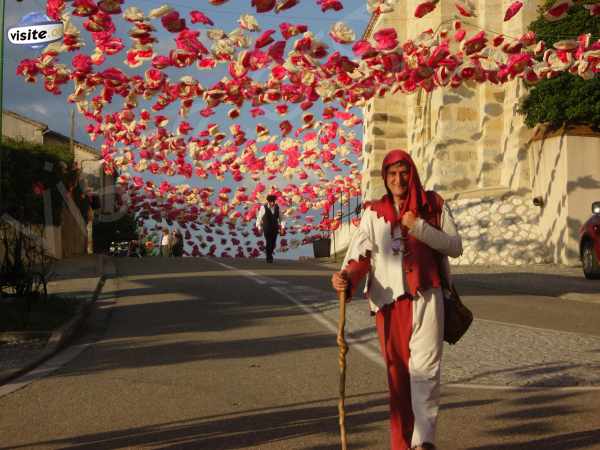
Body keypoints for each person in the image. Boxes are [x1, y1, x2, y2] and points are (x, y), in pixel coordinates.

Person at [331, 149, 462, 450]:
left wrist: (418, 227)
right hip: (389, 306)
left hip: (428, 297)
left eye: (403, 173)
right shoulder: (374, 212)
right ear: (385, 178)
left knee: (426, 372)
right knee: (399, 379)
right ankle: (401, 444)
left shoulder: (434, 204)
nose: (398, 179)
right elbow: (360, 257)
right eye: (392, 174)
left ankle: (423, 442)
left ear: (412, 173)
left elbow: (455, 246)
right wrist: (346, 278)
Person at [256, 194, 282, 263]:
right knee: (269, 242)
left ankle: (269, 254)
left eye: (273, 201)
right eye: (271, 201)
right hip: (266, 228)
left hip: (275, 228)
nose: (272, 203)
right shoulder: (263, 208)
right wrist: (259, 227)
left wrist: (282, 227)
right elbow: (259, 218)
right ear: (268, 201)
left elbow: (282, 218)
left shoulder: (277, 208)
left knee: (273, 244)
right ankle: (269, 257)